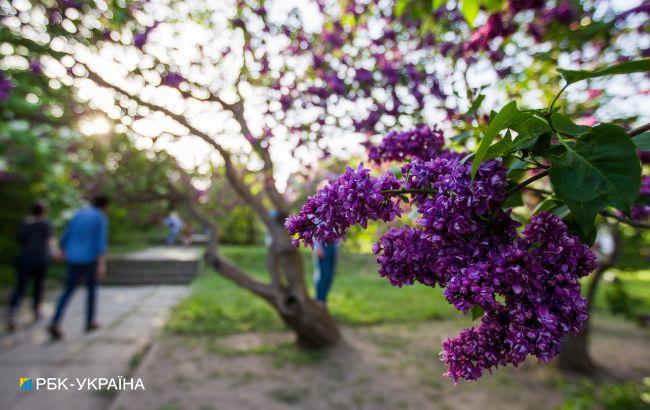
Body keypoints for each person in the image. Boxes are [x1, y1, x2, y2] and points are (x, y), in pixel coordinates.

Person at [49, 195, 109, 340]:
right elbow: (100, 242)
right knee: (91, 291)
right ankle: (89, 321)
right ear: (105, 206)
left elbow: (66, 236)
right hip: (90, 259)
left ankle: (56, 320)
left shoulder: (78, 214)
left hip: (73, 258)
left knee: (68, 291)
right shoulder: (100, 217)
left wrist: (62, 251)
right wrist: (101, 264)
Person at [6, 202, 58, 332]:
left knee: (20, 286)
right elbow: (50, 241)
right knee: (38, 286)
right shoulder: (46, 224)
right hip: (40, 259)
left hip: (24, 258)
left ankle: (12, 311)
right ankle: (36, 311)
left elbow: (20, 239)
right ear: (44, 211)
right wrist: (55, 253)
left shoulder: (25, 223)